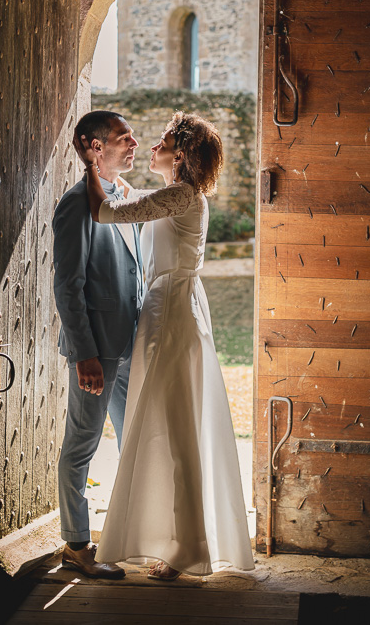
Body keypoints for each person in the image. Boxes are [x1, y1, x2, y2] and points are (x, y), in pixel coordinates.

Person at [73, 111, 254, 581]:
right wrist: (107, 174)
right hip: (169, 309)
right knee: (169, 427)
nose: (151, 147)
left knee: (175, 431)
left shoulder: (179, 196)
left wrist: (92, 162)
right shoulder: (174, 197)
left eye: (163, 141)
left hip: (172, 313)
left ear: (181, 155)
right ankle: (174, 539)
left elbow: (106, 211)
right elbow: (129, 198)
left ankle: (186, 549)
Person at [52, 109, 144, 579]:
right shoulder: (75, 204)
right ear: (95, 146)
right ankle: (76, 543)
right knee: (82, 444)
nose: (134, 145)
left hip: (132, 347)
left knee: (136, 442)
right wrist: (84, 352)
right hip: (98, 353)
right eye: (125, 139)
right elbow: (68, 285)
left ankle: (132, 533)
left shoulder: (122, 197)